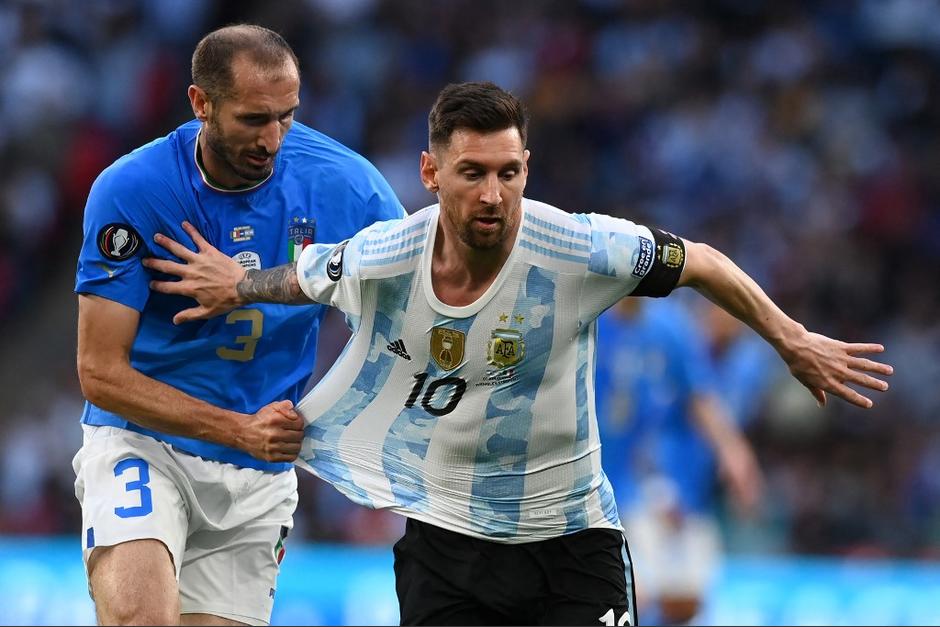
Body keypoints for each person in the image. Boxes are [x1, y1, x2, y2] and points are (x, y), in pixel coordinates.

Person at [146, 81, 893, 626]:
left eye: (509, 171)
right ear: (433, 174)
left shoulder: (576, 245)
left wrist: (791, 338)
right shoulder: (384, 255)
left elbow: (697, 260)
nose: (494, 194)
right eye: (472, 172)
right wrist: (239, 283)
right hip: (446, 544)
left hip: (572, 544)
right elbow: (304, 276)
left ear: (527, 168)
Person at [72, 24, 404, 626]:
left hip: (260, 474)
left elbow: (411, 303)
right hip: (144, 443)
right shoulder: (134, 190)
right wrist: (237, 429)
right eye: (254, 119)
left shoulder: (347, 185)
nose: (273, 138)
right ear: (201, 103)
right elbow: (99, 373)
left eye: (287, 116)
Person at [594, 297, 765, 625]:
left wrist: (734, 453)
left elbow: (697, 394)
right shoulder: (588, 313)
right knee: (632, 591)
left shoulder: (669, 326)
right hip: (601, 480)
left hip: (654, 486)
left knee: (683, 600)